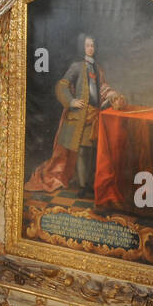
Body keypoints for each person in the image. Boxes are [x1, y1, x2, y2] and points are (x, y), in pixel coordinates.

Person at [25, 34, 125, 196]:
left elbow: (103, 88)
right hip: (79, 117)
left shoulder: (98, 69)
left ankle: (88, 184)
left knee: (91, 150)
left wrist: (112, 95)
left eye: (92, 45)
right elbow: (62, 85)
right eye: (87, 46)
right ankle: (83, 186)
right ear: (82, 48)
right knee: (82, 151)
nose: (90, 48)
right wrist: (71, 101)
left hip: (94, 116)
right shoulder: (77, 67)